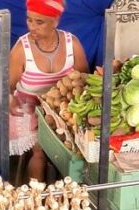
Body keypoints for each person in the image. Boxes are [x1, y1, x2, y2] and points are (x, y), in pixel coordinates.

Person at [9, 0, 88, 182]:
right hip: (27, 110)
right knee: (40, 150)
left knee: (76, 151)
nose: (32, 27)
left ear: (56, 20)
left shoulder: (72, 45)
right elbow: (8, 85)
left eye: (39, 22)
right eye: (29, 20)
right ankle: (37, 198)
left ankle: (68, 196)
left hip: (62, 110)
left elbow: (83, 82)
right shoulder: (22, 49)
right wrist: (9, 100)